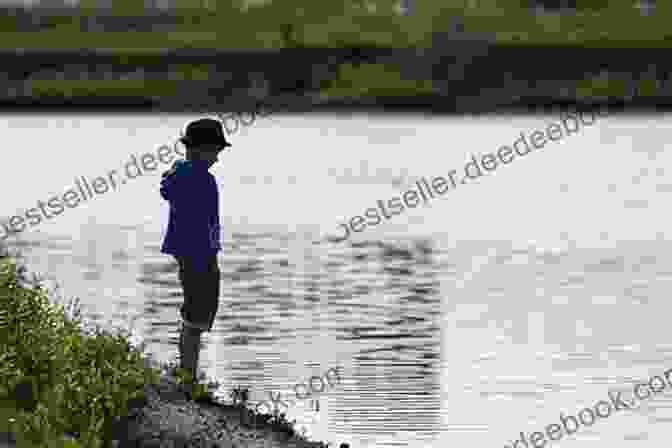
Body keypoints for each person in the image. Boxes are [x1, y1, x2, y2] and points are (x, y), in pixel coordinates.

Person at [160, 118, 232, 383]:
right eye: (215, 151)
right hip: (198, 254)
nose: (217, 158)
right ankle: (188, 376)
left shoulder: (182, 174)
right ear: (200, 149)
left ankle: (188, 373)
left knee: (195, 313)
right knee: (196, 314)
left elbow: (172, 186)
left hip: (193, 253)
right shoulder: (199, 177)